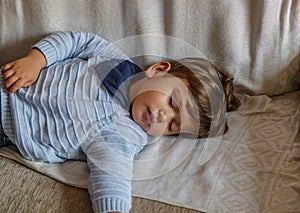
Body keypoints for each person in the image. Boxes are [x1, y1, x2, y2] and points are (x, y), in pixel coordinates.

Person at [0, 31, 240, 213]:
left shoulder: (125, 135)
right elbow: (76, 40)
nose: (162, 117)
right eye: (172, 103)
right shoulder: (114, 58)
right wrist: (37, 59)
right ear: (157, 70)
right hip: (7, 79)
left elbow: (112, 176)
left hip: (9, 128)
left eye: (171, 127)